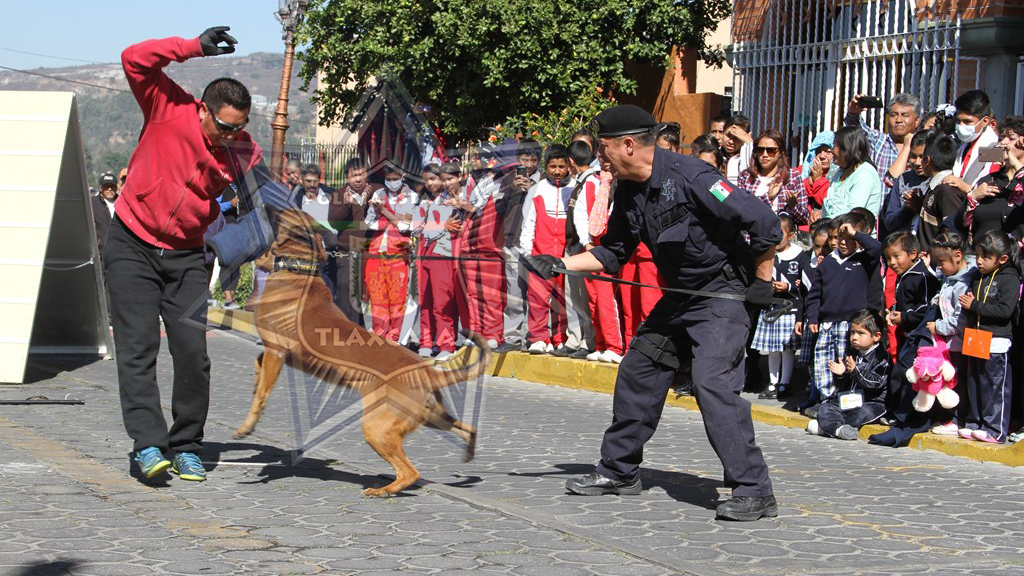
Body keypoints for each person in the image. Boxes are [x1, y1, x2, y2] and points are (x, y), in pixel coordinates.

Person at [534, 104, 781, 521]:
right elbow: (614, 251)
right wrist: (560, 264)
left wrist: (761, 278)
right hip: (680, 297)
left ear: (628, 145)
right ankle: (619, 471)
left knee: (711, 383)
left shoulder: (693, 176)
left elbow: (764, 221)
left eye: (604, 148)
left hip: (723, 296)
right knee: (639, 368)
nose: (600, 158)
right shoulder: (629, 190)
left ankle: (754, 490)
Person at [108, 26, 260, 481]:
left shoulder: (242, 150)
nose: (233, 134)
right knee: (138, 348)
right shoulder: (167, 105)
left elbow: (262, 205)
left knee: (193, 353)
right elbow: (133, 57)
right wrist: (192, 47)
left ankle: (187, 444)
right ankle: (149, 445)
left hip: (187, 256)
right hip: (131, 243)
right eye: (226, 126)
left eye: (241, 126)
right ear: (204, 111)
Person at [800, 215, 882, 410]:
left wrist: (856, 234)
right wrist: (812, 316)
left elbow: (877, 248)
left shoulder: (864, 259)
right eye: (838, 238)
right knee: (823, 362)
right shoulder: (827, 263)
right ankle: (826, 400)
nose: (843, 243)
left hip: (850, 324)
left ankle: (845, 401)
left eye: (849, 238)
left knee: (846, 362)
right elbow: (814, 294)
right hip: (827, 323)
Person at [958, 230, 1020, 443]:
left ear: (1002, 259)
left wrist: (974, 305)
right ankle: (975, 422)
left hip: (996, 340)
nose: (980, 262)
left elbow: (1005, 311)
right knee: (975, 382)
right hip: (975, 337)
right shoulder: (978, 276)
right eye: (977, 256)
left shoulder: (1009, 278)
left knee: (994, 385)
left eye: (985, 257)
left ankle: (995, 429)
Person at [567, 139, 623, 363]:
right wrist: (586, 241)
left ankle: (615, 345)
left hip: (610, 250)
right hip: (591, 248)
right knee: (593, 300)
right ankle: (600, 344)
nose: (605, 163)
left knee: (609, 300)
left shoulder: (620, 183)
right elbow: (580, 213)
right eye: (602, 158)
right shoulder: (592, 181)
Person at [520, 145, 573, 355]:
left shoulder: (575, 187)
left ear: (569, 166)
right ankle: (538, 338)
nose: (557, 171)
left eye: (561, 166)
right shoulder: (538, 189)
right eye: (553, 166)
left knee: (562, 299)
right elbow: (528, 222)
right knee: (538, 298)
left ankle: (560, 337)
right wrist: (527, 252)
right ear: (546, 167)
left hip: (565, 255)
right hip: (540, 254)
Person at [807, 309, 891, 440]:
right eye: (852, 332)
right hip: (850, 400)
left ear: (877, 336)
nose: (854, 337)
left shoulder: (882, 358)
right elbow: (844, 384)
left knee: (862, 412)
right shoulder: (852, 353)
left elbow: (876, 383)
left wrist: (855, 371)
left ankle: (828, 428)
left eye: (861, 333)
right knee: (826, 407)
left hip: (871, 403)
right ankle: (838, 429)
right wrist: (841, 374)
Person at [925, 231, 975, 435]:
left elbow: (959, 320)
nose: (939, 267)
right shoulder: (949, 277)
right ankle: (951, 418)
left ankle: (958, 419)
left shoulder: (964, 283)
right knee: (950, 382)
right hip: (950, 345)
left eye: (941, 262)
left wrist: (938, 327)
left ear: (958, 255)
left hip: (961, 343)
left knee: (960, 384)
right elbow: (944, 293)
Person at [413, 162, 462, 361]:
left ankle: (446, 344)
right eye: (427, 181)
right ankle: (426, 341)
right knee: (425, 299)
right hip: (424, 251)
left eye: (434, 179)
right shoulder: (427, 202)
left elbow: (454, 226)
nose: (431, 183)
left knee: (442, 301)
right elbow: (416, 229)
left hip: (444, 254)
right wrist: (438, 225)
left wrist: (431, 226)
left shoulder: (455, 201)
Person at [750, 214, 803, 400]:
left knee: (786, 349)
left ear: (791, 235)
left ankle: (785, 383)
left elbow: (805, 284)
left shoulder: (799, 255)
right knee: (772, 348)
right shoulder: (766, 253)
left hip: (789, 309)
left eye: (780, 233)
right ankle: (772, 383)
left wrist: (789, 287)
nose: (776, 237)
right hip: (771, 309)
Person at [364, 164, 419, 341]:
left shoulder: (411, 196)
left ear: (403, 176)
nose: (391, 183)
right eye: (388, 180)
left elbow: (405, 227)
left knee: (397, 297)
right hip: (377, 250)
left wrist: (384, 212)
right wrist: (388, 220)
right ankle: (380, 333)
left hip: (398, 252)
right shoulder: (379, 194)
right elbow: (368, 221)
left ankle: (394, 335)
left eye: (395, 179)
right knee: (378, 295)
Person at [951, 116, 1024, 243]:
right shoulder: (988, 180)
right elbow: (959, 223)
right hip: (981, 257)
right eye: (1002, 138)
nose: (1003, 142)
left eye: (1011, 138)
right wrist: (973, 196)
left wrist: (1016, 163)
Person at [499, 140, 543, 351]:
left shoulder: (544, 181)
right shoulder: (508, 181)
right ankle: (512, 338)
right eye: (525, 159)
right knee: (514, 294)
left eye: (533, 160)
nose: (529, 164)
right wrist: (513, 191)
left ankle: (538, 337)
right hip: (513, 241)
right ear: (518, 160)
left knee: (538, 293)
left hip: (537, 244)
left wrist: (533, 188)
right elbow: (498, 210)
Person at [326, 157, 377, 322]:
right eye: (353, 175)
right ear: (347, 178)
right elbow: (333, 221)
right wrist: (348, 205)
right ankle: (349, 338)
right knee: (348, 298)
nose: (357, 179)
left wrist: (367, 204)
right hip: (348, 255)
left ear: (367, 175)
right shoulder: (339, 194)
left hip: (372, 255)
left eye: (361, 174)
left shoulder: (376, 193)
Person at [844, 93, 921, 190]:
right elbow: (855, 129)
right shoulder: (877, 140)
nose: (899, 120)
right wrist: (853, 112)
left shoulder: (922, 148)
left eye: (905, 115)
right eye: (894, 115)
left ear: (917, 120)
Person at [736, 129, 809, 225]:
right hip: (750, 237)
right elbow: (740, 211)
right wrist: (768, 197)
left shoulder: (793, 177)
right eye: (760, 150)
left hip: (781, 237)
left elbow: (804, 219)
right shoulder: (746, 177)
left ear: (781, 152)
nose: (765, 155)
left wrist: (793, 205)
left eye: (771, 150)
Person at [884, 232, 940, 338]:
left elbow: (926, 309)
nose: (892, 262)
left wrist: (904, 317)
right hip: (909, 334)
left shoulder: (922, 278)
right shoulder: (905, 277)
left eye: (896, 256)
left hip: (922, 335)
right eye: (888, 258)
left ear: (913, 254)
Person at [821, 126, 882, 220]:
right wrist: (820, 214)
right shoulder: (840, 173)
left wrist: (826, 221)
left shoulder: (865, 174)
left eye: (835, 146)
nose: (832, 151)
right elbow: (831, 204)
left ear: (846, 148)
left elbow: (852, 212)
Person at [912, 132, 961, 250]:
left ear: (927, 161)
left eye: (921, 157)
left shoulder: (947, 192)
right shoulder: (935, 188)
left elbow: (952, 237)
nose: (918, 163)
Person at [945, 90, 1000, 193]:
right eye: (958, 121)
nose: (961, 126)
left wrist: (964, 186)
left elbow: (991, 187)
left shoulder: (994, 148)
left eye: (967, 122)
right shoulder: (963, 144)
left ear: (985, 121)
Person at [880, 130, 930, 238]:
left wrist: (919, 205)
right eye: (913, 156)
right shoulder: (904, 179)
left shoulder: (938, 181)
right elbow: (889, 222)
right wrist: (907, 208)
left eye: (922, 157)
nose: (917, 162)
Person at [801, 132, 836, 223]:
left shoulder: (840, 177)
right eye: (818, 151)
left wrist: (817, 180)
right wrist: (810, 180)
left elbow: (826, 201)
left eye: (828, 152)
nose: (822, 156)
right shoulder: (803, 172)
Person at [92, 172, 118, 254]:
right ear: (101, 188)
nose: (109, 189)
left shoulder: (123, 203)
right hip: (100, 253)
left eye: (112, 186)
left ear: (116, 188)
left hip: (119, 252)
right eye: (106, 186)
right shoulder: (92, 203)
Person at [723, 114, 754, 184]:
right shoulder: (715, 154)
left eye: (736, 138)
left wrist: (749, 142)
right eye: (728, 136)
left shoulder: (747, 156)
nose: (731, 141)